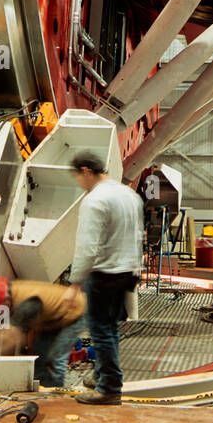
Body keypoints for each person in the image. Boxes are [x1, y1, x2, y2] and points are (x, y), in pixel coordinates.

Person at [69, 149, 143, 406]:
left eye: (78, 177)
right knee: (110, 327)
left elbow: (87, 247)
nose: (79, 183)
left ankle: (109, 387)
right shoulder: (129, 195)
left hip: (103, 275)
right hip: (126, 273)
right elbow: (137, 237)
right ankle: (101, 374)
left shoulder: (94, 200)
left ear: (87, 171)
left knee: (101, 331)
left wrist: (75, 282)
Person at [0, 276, 86, 389]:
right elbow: (5, 331)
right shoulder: (11, 293)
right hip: (53, 318)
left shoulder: (27, 305)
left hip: (75, 311)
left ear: (5, 300)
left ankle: (57, 393)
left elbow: (14, 336)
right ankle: (43, 386)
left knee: (56, 357)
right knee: (39, 354)